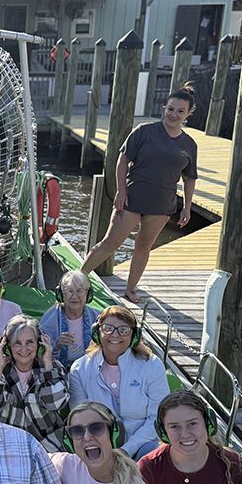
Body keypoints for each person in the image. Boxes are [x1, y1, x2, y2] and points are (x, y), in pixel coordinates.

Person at [80, 84, 199, 304]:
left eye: (180, 111)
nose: (173, 114)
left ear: (188, 113)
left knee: (143, 248)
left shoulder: (189, 144)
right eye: (170, 109)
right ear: (164, 108)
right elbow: (122, 160)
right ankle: (77, 281)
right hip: (132, 198)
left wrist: (187, 207)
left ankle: (130, 289)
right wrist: (121, 191)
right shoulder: (144, 131)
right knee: (110, 243)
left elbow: (189, 178)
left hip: (162, 204)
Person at [69, 305, 169, 459]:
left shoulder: (152, 365)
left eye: (124, 330)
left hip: (145, 444)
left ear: (134, 336)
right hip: (99, 444)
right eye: (108, 328)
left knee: (152, 453)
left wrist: (127, 449)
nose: (115, 334)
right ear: (97, 332)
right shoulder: (79, 369)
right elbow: (81, 420)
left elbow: (158, 418)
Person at [0, 314, 68, 452]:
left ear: (40, 344)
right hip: (5, 446)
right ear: (6, 346)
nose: (24, 349)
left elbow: (54, 403)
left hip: (47, 445)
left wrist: (47, 364)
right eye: (17, 343)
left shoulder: (54, 368)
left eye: (30, 342)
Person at [40, 270, 101, 371]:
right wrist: (56, 345)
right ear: (61, 294)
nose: (74, 296)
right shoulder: (49, 318)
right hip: (57, 369)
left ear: (88, 294)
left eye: (80, 291)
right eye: (69, 291)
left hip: (91, 369)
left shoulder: (98, 317)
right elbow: (40, 356)